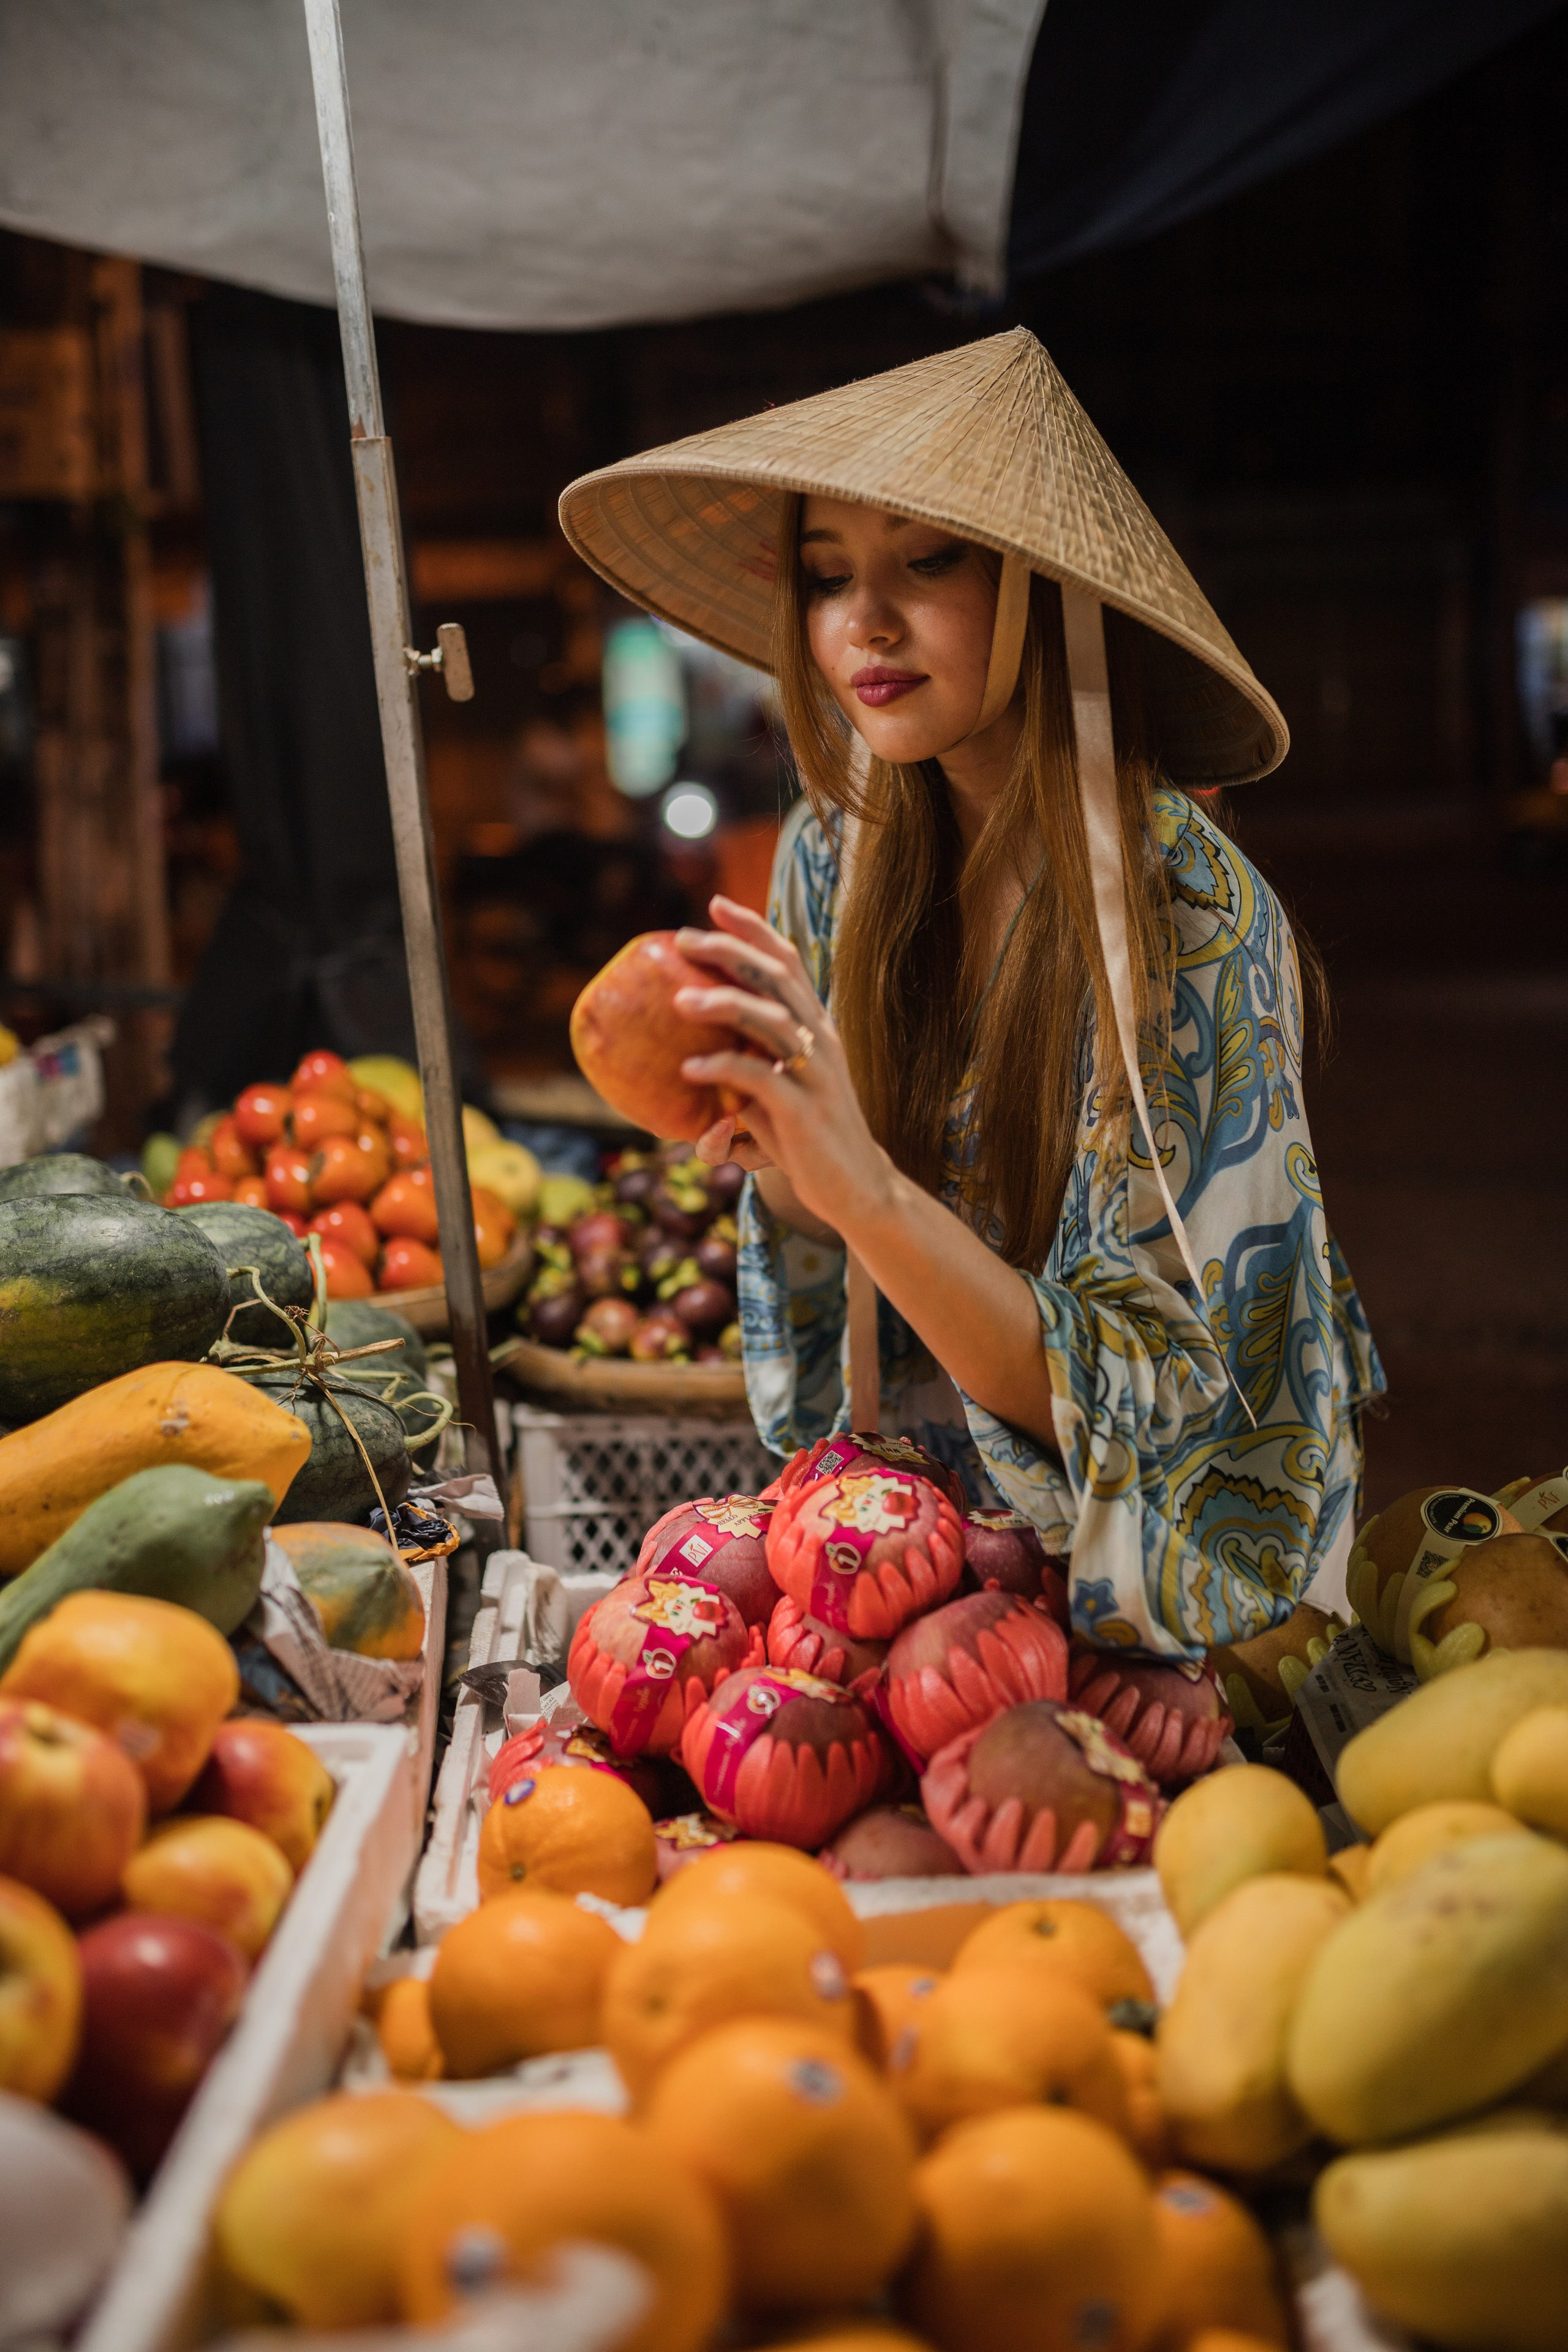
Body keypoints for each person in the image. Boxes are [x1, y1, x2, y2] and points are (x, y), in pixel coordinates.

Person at [560, 328, 1382, 1659]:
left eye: (928, 560)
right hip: (930, 1560)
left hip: (1171, 1601)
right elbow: (835, 1256)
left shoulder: (1189, 920)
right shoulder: (828, 855)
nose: (864, 623)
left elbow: (1168, 1413)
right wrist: (786, 1156)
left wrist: (860, 1191)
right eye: (827, 575)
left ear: (1045, 589)